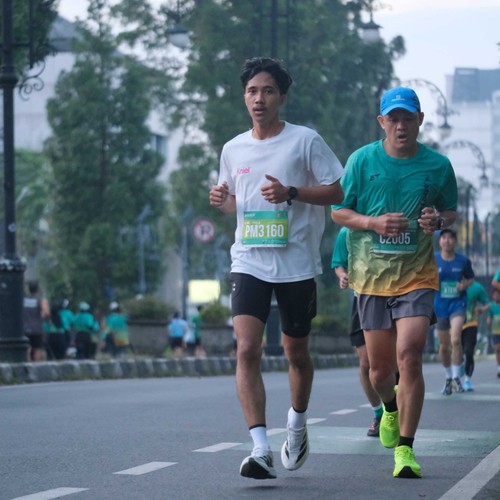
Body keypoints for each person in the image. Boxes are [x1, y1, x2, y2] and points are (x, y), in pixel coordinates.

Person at [209, 57, 344, 480]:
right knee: (246, 348)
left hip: (296, 264)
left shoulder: (305, 141)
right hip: (249, 260)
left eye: (268, 91)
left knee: (295, 354)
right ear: (244, 97)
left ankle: (297, 424)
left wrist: (293, 192)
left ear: (281, 97)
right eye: (252, 91)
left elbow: (339, 190)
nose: (259, 99)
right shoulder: (233, 149)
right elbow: (239, 202)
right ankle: (260, 448)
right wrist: (224, 202)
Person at [331, 86, 457, 479]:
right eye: (393, 118)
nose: (401, 126)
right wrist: (373, 223)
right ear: (382, 122)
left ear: (420, 120)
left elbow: (450, 212)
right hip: (371, 279)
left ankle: (406, 449)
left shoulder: (438, 165)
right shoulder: (361, 160)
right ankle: (388, 407)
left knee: (411, 355)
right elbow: (339, 212)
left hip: (417, 276)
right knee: (379, 372)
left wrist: (437, 220)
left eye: (407, 118)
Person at [331, 226, 383, 437]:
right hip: (361, 300)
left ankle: (396, 409)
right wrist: (343, 276)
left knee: (392, 364)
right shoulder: (346, 232)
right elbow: (339, 264)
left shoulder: (387, 224)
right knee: (366, 364)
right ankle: (379, 413)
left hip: (390, 299)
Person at [434, 229, 475, 395]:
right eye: (444, 237)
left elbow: (471, 278)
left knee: (456, 340)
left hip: (458, 304)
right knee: (444, 347)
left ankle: (457, 377)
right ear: (440, 241)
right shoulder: (433, 259)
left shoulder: (463, 261)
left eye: (450, 238)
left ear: (455, 242)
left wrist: (463, 285)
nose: (447, 240)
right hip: (440, 306)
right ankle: (448, 377)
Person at [461, 280, 491, 391]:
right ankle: (454, 375)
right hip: (454, 324)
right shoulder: (453, 283)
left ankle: (467, 380)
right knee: (457, 353)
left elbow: (487, 304)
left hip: (471, 324)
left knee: (468, 352)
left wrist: (482, 309)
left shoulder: (477, 287)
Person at [22, 281, 50, 361]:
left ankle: (27, 364)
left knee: (26, 348)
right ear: (37, 289)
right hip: (37, 329)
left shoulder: (23, 300)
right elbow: (46, 312)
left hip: (24, 329)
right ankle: (36, 366)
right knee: (37, 348)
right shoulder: (40, 300)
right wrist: (46, 320)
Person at [488, 288, 500, 378]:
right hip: (495, 331)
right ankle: (499, 368)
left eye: (498, 295)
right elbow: (489, 318)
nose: (496, 297)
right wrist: (489, 320)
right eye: (495, 295)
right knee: (497, 349)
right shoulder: (491, 306)